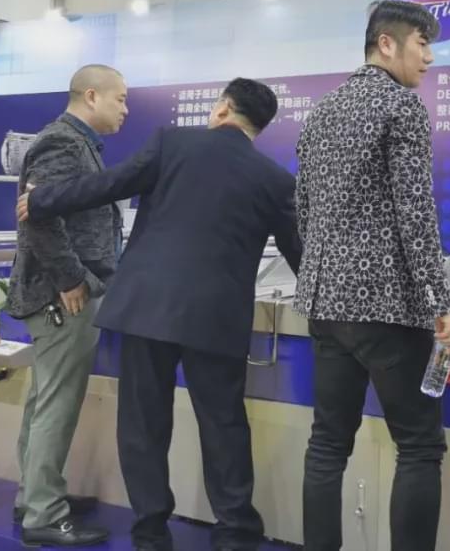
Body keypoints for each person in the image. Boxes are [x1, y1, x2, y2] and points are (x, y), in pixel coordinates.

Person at [17, 78, 302, 551]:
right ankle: (235, 533)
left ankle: (150, 532)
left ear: (222, 108)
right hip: (216, 319)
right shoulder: (274, 179)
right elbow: (300, 254)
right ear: (260, 126)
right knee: (224, 425)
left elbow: (108, 185)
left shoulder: (172, 143)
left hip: (145, 308)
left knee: (143, 425)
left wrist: (42, 199)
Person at [294, 0, 450, 551]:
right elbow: (415, 213)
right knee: (419, 446)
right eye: (423, 43)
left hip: (325, 305)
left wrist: (322, 277)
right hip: (387, 308)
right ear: (387, 44)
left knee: (328, 444)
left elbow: (304, 209)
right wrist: (442, 303)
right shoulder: (401, 107)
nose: (430, 57)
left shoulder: (322, 111)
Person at [7, 64, 128, 547]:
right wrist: (72, 278)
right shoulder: (63, 143)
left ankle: (34, 496)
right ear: (92, 96)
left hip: (63, 292)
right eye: (120, 99)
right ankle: (44, 514)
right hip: (63, 297)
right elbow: (38, 217)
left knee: (45, 400)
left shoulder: (79, 144)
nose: (125, 109)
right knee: (57, 404)